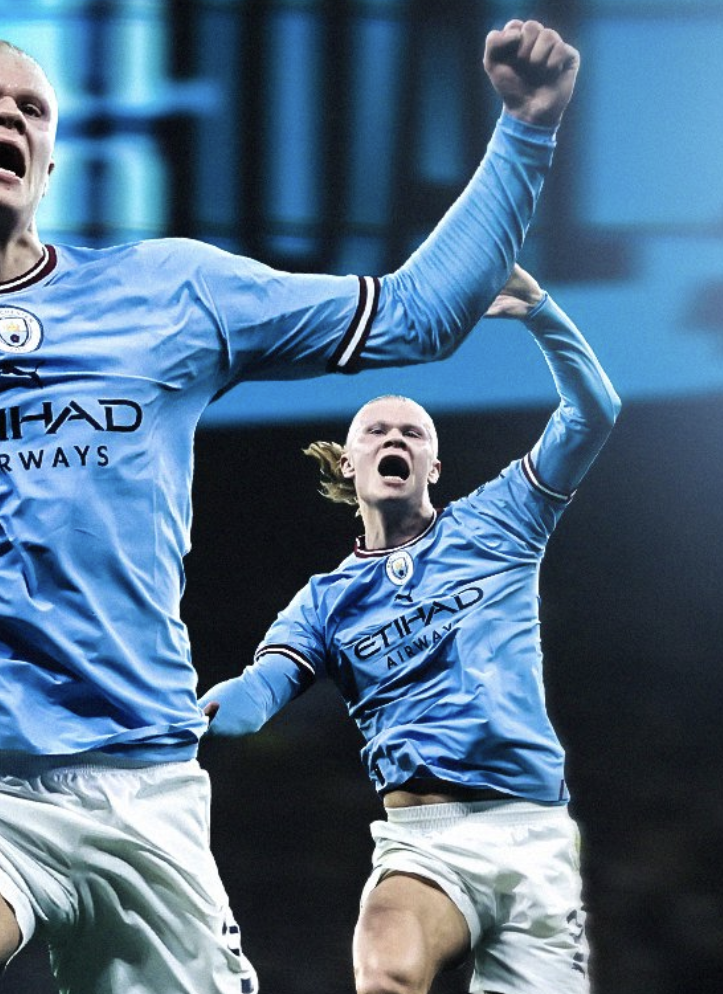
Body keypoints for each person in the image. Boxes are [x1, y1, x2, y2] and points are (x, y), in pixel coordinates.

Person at [0, 21, 580, 994]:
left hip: (144, 785)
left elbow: (418, 315)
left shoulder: (169, 291)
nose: (8, 115)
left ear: (49, 162)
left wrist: (527, 127)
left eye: (31, 109)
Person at [199, 265, 619, 994]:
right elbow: (256, 697)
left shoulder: (499, 521)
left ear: (433, 464)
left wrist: (541, 313)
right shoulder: (325, 602)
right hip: (424, 844)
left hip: (532, 835)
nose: (395, 436)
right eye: (376, 430)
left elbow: (593, 413)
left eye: (412, 432)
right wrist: (194, 710)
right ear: (350, 461)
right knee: (385, 970)